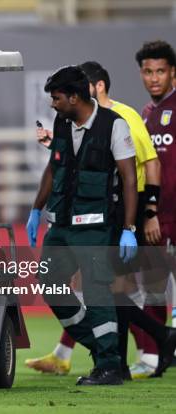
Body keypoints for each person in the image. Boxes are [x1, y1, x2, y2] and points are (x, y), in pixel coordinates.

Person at [25, 61, 176, 379]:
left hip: (96, 225)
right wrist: (36, 209)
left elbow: (129, 179)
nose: (53, 104)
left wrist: (129, 228)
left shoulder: (116, 124)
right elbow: (55, 169)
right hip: (61, 226)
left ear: (75, 98)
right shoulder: (62, 123)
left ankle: (109, 365)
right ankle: (100, 346)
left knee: (100, 292)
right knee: (50, 285)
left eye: (57, 98)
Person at [131, 40, 176, 377]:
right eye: (148, 71)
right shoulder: (145, 114)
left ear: (173, 72)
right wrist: (149, 211)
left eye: (161, 70)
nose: (154, 78)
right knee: (155, 287)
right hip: (156, 217)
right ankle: (156, 356)